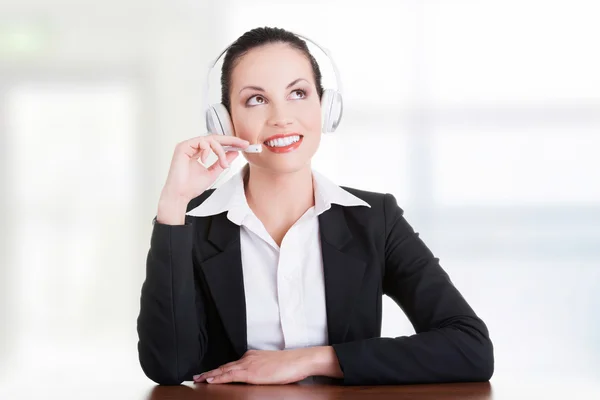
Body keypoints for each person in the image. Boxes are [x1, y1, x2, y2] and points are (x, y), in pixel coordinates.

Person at [136, 26, 494, 386]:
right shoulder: (192, 223)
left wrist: (311, 360)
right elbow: (168, 367)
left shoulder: (375, 219)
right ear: (224, 120)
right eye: (256, 100)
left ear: (326, 107)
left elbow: (470, 348)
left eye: (298, 93)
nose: (281, 117)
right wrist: (174, 204)